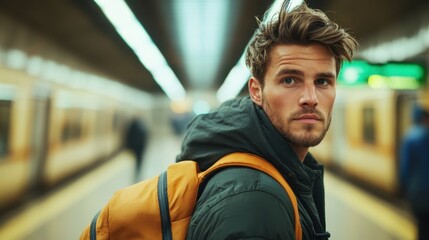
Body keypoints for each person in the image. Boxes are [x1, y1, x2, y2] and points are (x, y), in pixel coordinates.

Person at [175, 1, 358, 239]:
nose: (310, 98)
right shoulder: (254, 203)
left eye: (323, 81)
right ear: (256, 91)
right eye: (290, 80)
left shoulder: (286, 173)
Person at [399, 102, 429, 240]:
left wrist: (403, 187)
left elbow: (405, 167)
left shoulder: (410, 137)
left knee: (422, 226)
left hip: (417, 191)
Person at [124, 116, 149, 181]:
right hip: (139, 148)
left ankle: (137, 173)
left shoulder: (134, 125)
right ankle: (137, 173)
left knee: (138, 161)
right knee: (139, 161)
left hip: (138, 148)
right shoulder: (142, 126)